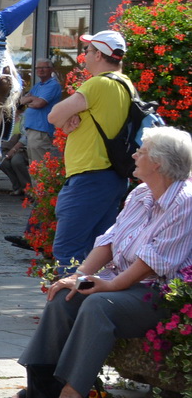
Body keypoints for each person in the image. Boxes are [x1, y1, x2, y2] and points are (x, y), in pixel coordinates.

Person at [5, 127, 192, 398]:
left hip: (156, 291)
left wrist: (109, 285)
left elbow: (155, 262)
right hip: (122, 281)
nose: (134, 154)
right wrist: (79, 276)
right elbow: (109, 239)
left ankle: (73, 397)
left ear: (158, 162)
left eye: (141, 151)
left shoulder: (185, 202)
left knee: (98, 306)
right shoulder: (141, 194)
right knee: (64, 296)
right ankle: (41, 389)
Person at [48, 30, 136, 268]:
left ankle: (68, 303)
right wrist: (73, 117)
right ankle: (88, 302)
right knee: (99, 251)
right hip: (111, 177)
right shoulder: (125, 83)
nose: (83, 55)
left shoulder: (99, 83)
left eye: (87, 51)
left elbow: (54, 116)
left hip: (89, 176)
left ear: (99, 54)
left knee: (69, 251)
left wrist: (68, 117)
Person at [20, 57, 63, 185]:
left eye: (44, 67)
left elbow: (39, 103)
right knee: (34, 166)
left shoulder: (53, 85)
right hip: (33, 131)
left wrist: (31, 99)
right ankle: (37, 198)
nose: (41, 70)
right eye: (38, 68)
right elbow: (22, 100)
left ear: (51, 69)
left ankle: (41, 199)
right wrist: (30, 100)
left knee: (40, 167)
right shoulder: (38, 85)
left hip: (41, 131)